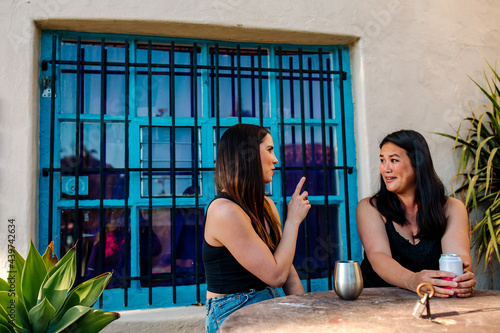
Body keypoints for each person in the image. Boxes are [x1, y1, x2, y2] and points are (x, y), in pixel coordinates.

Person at [203, 124, 311, 332]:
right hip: (232, 312)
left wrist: (306, 312)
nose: (276, 159)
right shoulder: (224, 211)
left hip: (268, 303)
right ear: (248, 155)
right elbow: (276, 276)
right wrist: (293, 221)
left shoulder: (267, 205)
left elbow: (287, 271)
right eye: (269, 150)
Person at [357, 130, 476, 298]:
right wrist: (413, 280)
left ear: (417, 163)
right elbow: (378, 255)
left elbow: (458, 256)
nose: (386, 168)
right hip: (376, 303)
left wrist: (460, 278)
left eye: (394, 160)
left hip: (432, 302)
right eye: (382, 160)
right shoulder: (370, 207)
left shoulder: (452, 207)